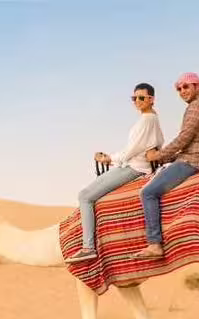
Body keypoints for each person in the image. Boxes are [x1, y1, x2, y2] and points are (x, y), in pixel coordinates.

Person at [132, 72, 199, 258]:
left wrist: (158, 157)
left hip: (193, 162)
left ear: (197, 86)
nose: (182, 91)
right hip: (194, 157)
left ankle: (154, 244)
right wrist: (166, 158)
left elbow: (183, 139)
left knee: (148, 192)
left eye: (186, 87)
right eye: (179, 89)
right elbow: (188, 143)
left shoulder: (197, 107)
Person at [65, 82, 164, 264]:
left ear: (151, 99)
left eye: (141, 98)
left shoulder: (147, 120)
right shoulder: (152, 119)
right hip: (134, 165)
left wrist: (109, 159)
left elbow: (131, 151)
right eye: (134, 98)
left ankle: (88, 247)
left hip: (134, 168)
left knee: (85, 196)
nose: (137, 101)